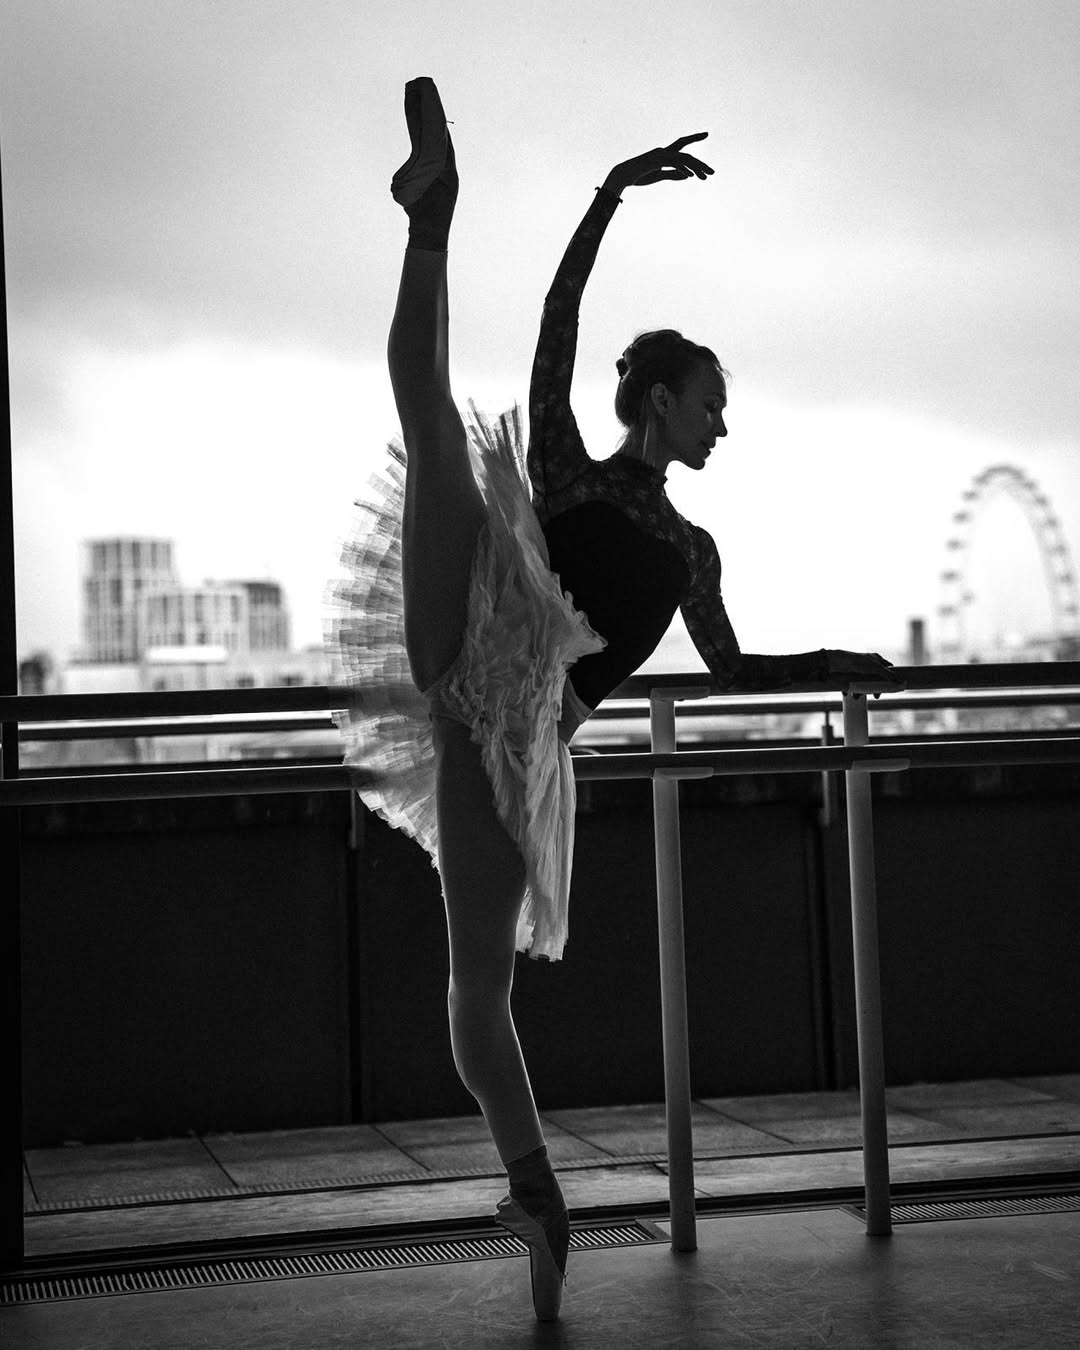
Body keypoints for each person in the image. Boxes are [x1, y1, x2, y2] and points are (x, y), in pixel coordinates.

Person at [326, 77, 896, 1323]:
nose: (722, 427)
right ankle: (434, 217)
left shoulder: (687, 548)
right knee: (430, 421)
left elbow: (734, 672)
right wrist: (608, 196)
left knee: (479, 990)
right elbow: (560, 316)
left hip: (502, 725)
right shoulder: (585, 477)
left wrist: (840, 661)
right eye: (712, 405)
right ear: (662, 399)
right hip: (484, 645)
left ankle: (536, 1196)